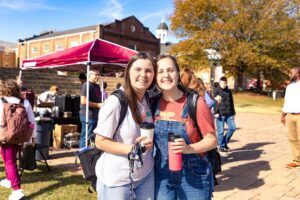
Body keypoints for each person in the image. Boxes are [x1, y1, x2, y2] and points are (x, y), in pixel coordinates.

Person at [94, 52, 156, 200]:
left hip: (146, 174)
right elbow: (100, 142)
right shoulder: (116, 102)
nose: (143, 75)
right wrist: (133, 149)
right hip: (117, 180)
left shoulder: (147, 98)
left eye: (148, 70)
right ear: (128, 72)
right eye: (138, 69)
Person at [154, 55, 217, 200]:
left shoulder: (196, 103)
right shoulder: (153, 103)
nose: (166, 75)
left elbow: (212, 140)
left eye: (170, 70)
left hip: (193, 174)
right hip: (161, 173)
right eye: (160, 71)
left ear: (177, 74)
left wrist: (188, 148)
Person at [0, 80, 36, 200]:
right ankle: (9, 179)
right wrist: (31, 138)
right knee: (9, 159)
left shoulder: (1, 101)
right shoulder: (24, 101)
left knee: (10, 162)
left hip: (5, 136)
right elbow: (31, 121)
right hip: (20, 136)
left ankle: (17, 190)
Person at [281, 67, 300, 168]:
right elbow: (286, 102)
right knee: (292, 139)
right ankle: (296, 161)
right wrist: (283, 116)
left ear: (297, 74)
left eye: (291, 73)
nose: (289, 75)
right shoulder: (289, 87)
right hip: (290, 116)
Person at [79, 69, 102, 148]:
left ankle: (89, 155)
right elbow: (83, 101)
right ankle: (83, 156)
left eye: (98, 75)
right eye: (96, 74)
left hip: (95, 114)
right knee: (86, 136)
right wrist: (98, 105)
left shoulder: (97, 86)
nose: (98, 76)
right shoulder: (86, 85)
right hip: (88, 115)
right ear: (90, 75)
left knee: (92, 137)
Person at [214, 76, 236, 153]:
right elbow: (213, 102)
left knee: (233, 128)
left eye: (225, 83)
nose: (223, 85)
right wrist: (215, 112)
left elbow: (231, 102)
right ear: (219, 83)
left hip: (229, 114)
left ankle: (223, 143)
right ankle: (221, 147)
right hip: (220, 114)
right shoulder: (216, 90)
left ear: (227, 83)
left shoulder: (229, 91)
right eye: (222, 83)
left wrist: (233, 113)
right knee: (220, 131)